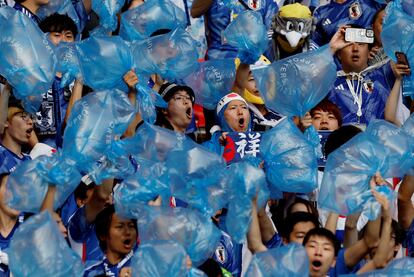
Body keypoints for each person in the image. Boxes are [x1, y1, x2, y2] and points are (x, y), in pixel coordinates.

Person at [327, 25, 410, 126]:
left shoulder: (385, 73)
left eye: (361, 44)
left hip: (379, 140)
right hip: (342, 140)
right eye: (348, 44)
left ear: (369, 52)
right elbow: (307, 85)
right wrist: (332, 47)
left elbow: (405, 44)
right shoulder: (328, 81)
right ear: (339, 54)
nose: (355, 49)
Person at [34, 13, 83, 149]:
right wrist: (38, 150)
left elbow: (72, 122)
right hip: (36, 153)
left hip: (68, 153)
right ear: (43, 39)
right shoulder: (33, 74)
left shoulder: (80, 78)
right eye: (57, 35)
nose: (63, 40)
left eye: (68, 36)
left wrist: (79, 80)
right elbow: (23, 116)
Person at [190, 0, 278, 60]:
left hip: (250, 64)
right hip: (219, 63)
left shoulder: (265, 3)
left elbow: (269, 38)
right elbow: (194, 12)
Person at [83, 205, 138, 277]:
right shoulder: (90, 273)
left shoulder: (143, 265)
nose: (128, 232)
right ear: (103, 235)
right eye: (120, 227)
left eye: (131, 226)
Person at [312, 0, 382, 47]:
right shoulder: (321, 13)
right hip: (338, 66)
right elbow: (315, 49)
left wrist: (377, 48)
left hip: (374, 62)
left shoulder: (372, 4)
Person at [0, 106, 33, 175]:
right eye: (23, 117)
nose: (31, 122)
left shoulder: (28, 159)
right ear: (5, 122)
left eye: (31, 119)